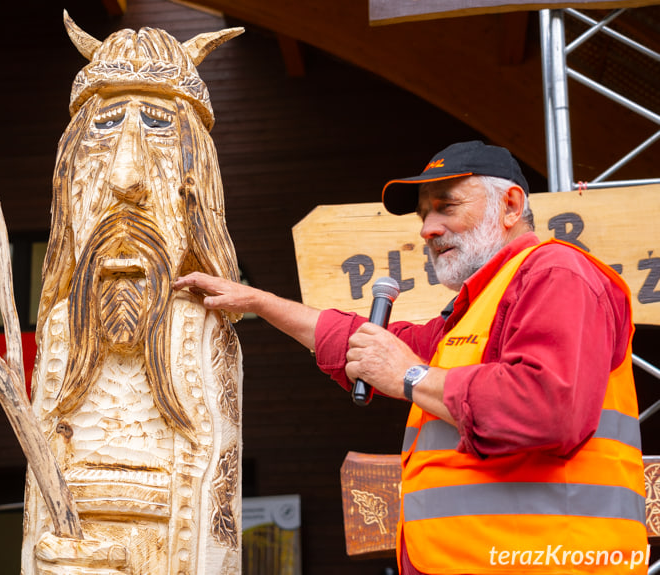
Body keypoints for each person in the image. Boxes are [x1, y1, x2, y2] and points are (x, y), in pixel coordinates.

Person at [173, 140, 649, 574]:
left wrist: (409, 374)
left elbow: (548, 406)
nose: (427, 229)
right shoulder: (475, 310)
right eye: (423, 214)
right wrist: (258, 301)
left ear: (510, 206)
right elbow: (363, 341)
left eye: (446, 207)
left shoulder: (558, 273)